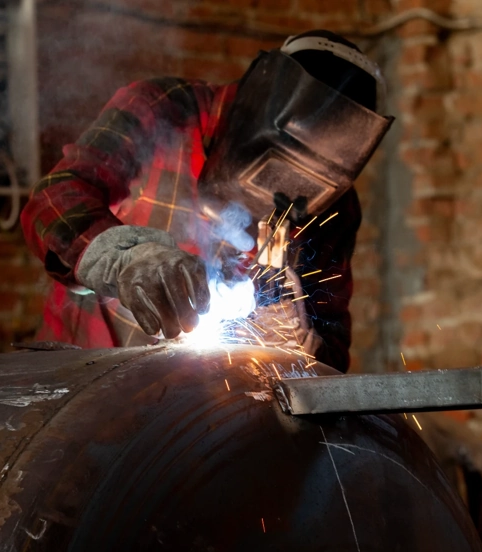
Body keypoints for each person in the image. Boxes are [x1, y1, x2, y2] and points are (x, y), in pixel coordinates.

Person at [21, 30, 392, 372]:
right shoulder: (166, 108)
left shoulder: (335, 206)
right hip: (83, 378)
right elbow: (57, 197)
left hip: (200, 419)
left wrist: (303, 352)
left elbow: (333, 351)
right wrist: (121, 259)